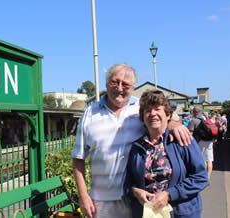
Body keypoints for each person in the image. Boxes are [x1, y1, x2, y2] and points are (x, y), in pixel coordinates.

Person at [71, 63, 191, 218]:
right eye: (115, 82)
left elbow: (160, 120)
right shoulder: (90, 113)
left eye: (125, 84)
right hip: (101, 202)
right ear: (107, 84)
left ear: (133, 87)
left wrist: (173, 124)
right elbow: (78, 158)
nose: (119, 88)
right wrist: (83, 196)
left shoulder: (140, 109)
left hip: (138, 200)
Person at [124, 90, 208, 218]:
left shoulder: (182, 140)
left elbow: (200, 177)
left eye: (157, 109)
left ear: (168, 115)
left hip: (180, 213)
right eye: (147, 111)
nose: (152, 114)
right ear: (143, 116)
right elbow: (127, 183)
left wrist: (170, 194)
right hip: (148, 214)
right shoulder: (137, 146)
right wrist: (136, 191)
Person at [188, 107, 213, 180]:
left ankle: (202, 177)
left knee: (202, 159)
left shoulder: (194, 120)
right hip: (209, 141)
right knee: (209, 159)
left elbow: (190, 133)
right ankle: (208, 178)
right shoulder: (207, 119)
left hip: (200, 141)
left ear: (195, 112)